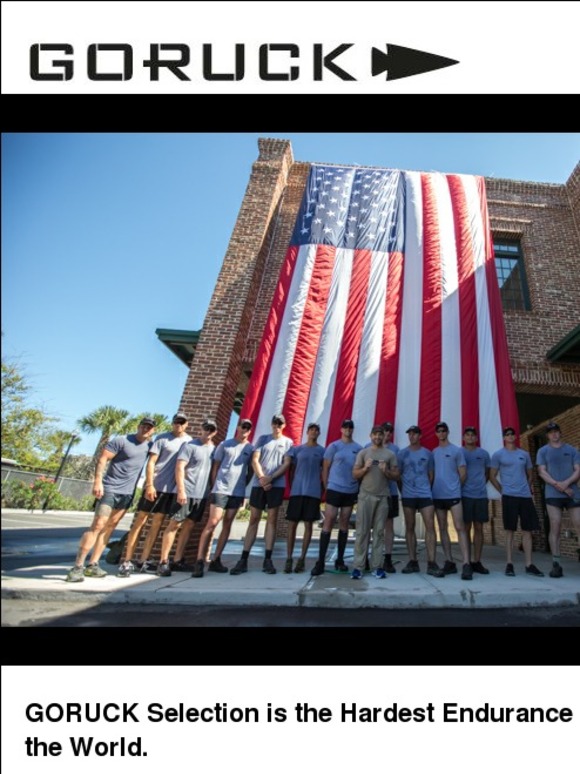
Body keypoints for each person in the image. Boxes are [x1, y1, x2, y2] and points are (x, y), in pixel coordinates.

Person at [65, 417, 157, 582]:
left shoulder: (150, 447)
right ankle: (78, 566)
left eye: (149, 427)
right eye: (144, 426)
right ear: (139, 426)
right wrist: (98, 481)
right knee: (98, 525)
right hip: (110, 489)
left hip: (128, 493)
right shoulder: (121, 440)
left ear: (153, 430)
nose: (146, 429)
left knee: (110, 527)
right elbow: (102, 459)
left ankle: (93, 564)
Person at [118, 412, 192, 576]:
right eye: (176, 422)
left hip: (170, 489)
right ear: (173, 423)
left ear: (186, 424)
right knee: (140, 521)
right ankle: (127, 560)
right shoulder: (162, 438)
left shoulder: (189, 442)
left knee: (157, 523)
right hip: (155, 486)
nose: (179, 424)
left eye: (182, 422)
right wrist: (149, 484)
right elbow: (151, 462)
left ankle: (143, 560)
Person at [230, 414, 293, 576]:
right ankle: (243, 559)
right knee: (254, 519)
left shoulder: (288, 442)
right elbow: (255, 460)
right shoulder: (262, 439)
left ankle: (268, 559)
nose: (277, 425)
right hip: (260, 485)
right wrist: (262, 478)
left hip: (276, 484)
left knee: (272, 520)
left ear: (284, 425)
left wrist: (271, 478)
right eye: (275, 422)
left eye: (280, 423)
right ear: (271, 423)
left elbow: (286, 463)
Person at [191, 418, 254, 578]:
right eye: (243, 426)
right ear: (238, 428)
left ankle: (216, 559)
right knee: (213, 522)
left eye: (248, 427)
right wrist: (214, 485)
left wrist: (244, 485)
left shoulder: (250, 448)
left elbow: (250, 470)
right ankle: (199, 560)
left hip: (237, 491)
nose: (245, 429)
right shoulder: (225, 445)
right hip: (221, 489)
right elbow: (216, 466)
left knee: (228, 523)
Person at [155, 420, 218, 577]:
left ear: (215, 432)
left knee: (189, 525)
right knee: (174, 525)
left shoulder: (213, 449)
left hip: (201, 494)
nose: (208, 431)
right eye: (206, 428)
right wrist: (181, 490)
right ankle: (163, 561)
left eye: (212, 429)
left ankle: (177, 560)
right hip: (186, 492)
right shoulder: (190, 446)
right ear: (201, 429)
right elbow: (180, 467)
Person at [489, 427, 545, 577]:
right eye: (507, 434)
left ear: (516, 436)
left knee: (527, 530)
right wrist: (502, 490)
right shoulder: (498, 455)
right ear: (504, 438)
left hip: (525, 497)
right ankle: (509, 563)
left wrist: (526, 487)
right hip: (509, 496)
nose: (510, 436)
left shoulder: (524, 454)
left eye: (512, 434)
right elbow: (492, 475)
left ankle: (529, 564)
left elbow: (530, 473)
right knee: (510, 530)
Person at [311, 419, 362, 576]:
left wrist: (357, 489)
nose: (348, 429)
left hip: (350, 490)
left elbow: (359, 470)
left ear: (353, 429)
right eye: (345, 426)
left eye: (350, 427)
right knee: (329, 520)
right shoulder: (334, 446)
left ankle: (340, 560)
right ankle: (320, 561)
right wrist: (327, 487)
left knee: (345, 522)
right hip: (334, 488)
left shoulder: (358, 449)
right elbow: (325, 467)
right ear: (341, 429)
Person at [351, 425, 399, 580]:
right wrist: (365, 468)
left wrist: (386, 471)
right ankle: (358, 567)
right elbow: (354, 474)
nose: (378, 437)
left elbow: (397, 475)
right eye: (375, 435)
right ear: (370, 435)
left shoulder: (390, 454)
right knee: (362, 532)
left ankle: (376, 566)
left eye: (380, 434)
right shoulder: (363, 453)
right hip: (365, 496)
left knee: (379, 533)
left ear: (384, 435)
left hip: (383, 496)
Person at [397, 426, 444, 577]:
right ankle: (413, 561)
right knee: (410, 527)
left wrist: (426, 489)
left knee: (430, 526)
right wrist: (404, 491)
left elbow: (431, 475)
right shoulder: (402, 453)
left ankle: (432, 562)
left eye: (415, 433)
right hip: (408, 495)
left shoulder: (427, 453)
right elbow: (398, 475)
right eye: (409, 433)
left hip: (425, 494)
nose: (412, 436)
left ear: (420, 435)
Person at [536, 421, 580, 578]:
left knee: (579, 524)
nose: (554, 434)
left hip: (572, 493)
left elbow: (578, 470)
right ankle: (556, 564)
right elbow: (542, 471)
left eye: (556, 431)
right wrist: (557, 484)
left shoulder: (571, 450)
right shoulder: (543, 451)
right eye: (550, 432)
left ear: (560, 433)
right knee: (555, 526)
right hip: (553, 494)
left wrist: (566, 483)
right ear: (547, 435)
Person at [432, 421, 472, 580]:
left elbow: (463, 473)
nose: (441, 433)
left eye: (444, 430)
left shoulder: (456, 451)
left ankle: (466, 563)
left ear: (448, 432)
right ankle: (449, 561)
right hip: (438, 495)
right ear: (436, 434)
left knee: (460, 527)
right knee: (442, 528)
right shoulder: (433, 452)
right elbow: (431, 473)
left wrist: (455, 487)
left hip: (454, 495)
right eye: (439, 431)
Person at [283, 422, 325, 574]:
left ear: (319, 433)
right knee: (292, 525)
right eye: (311, 429)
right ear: (307, 432)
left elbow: (324, 470)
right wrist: (294, 486)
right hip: (297, 492)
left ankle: (301, 558)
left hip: (313, 492)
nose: (314, 432)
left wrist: (322, 489)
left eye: (316, 430)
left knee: (308, 526)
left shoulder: (322, 451)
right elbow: (291, 470)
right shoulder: (298, 449)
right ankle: (289, 558)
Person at [461, 426, 492, 574]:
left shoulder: (484, 454)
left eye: (473, 435)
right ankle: (466, 561)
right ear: (463, 438)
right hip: (465, 495)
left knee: (479, 527)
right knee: (465, 528)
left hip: (480, 495)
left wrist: (479, 485)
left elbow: (487, 473)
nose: (470, 437)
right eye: (467, 435)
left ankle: (477, 561)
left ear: (476, 438)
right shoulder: (459, 452)